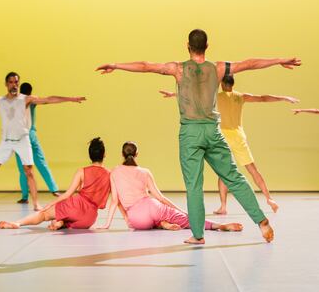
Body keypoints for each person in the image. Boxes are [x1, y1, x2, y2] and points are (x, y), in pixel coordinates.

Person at [96, 29, 301, 244]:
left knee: (194, 185)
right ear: (207, 46)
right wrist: (279, 60)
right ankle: (261, 221)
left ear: (187, 46)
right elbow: (249, 63)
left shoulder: (178, 69)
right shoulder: (218, 68)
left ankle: (198, 235)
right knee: (234, 177)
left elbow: (146, 66)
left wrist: (116, 65)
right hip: (213, 130)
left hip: (191, 133)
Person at [0, 72, 86, 211]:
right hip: (6, 141)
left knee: (29, 171)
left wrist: (70, 99)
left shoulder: (26, 99)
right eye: (11, 82)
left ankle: (36, 203)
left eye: (16, 82)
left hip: (22, 140)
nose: (14, 85)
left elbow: (49, 99)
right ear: (6, 84)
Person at [159, 74, 299, 215]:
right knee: (252, 169)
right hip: (238, 137)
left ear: (221, 84)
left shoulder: (216, 97)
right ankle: (269, 199)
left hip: (223, 136)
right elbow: (262, 98)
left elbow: (194, 97)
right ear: (233, 84)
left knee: (224, 171)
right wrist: (284, 98)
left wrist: (173, 94)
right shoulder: (240, 96)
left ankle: (223, 206)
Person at [98, 141, 243, 233]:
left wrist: (107, 224)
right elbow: (160, 198)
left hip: (136, 219)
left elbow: (115, 201)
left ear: (122, 154)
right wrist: (182, 212)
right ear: (137, 154)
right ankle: (218, 226)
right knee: (186, 221)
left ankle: (161, 224)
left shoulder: (114, 171)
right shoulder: (145, 172)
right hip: (152, 206)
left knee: (147, 221)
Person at [0, 82, 61, 203]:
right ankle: (53, 190)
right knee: (40, 164)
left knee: (23, 169)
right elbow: (49, 99)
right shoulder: (30, 100)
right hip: (28, 135)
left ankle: (25, 196)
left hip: (20, 136)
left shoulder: (20, 101)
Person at [0, 137, 113, 230]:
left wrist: (50, 204)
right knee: (68, 219)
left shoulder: (82, 171)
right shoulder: (109, 174)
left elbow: (67, 194)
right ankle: (60, 222)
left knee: (44, 214)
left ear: (90, 155)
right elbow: (115, 198)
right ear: (104, 155)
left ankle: (18, 223)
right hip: (89, 218)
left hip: (76, 206)